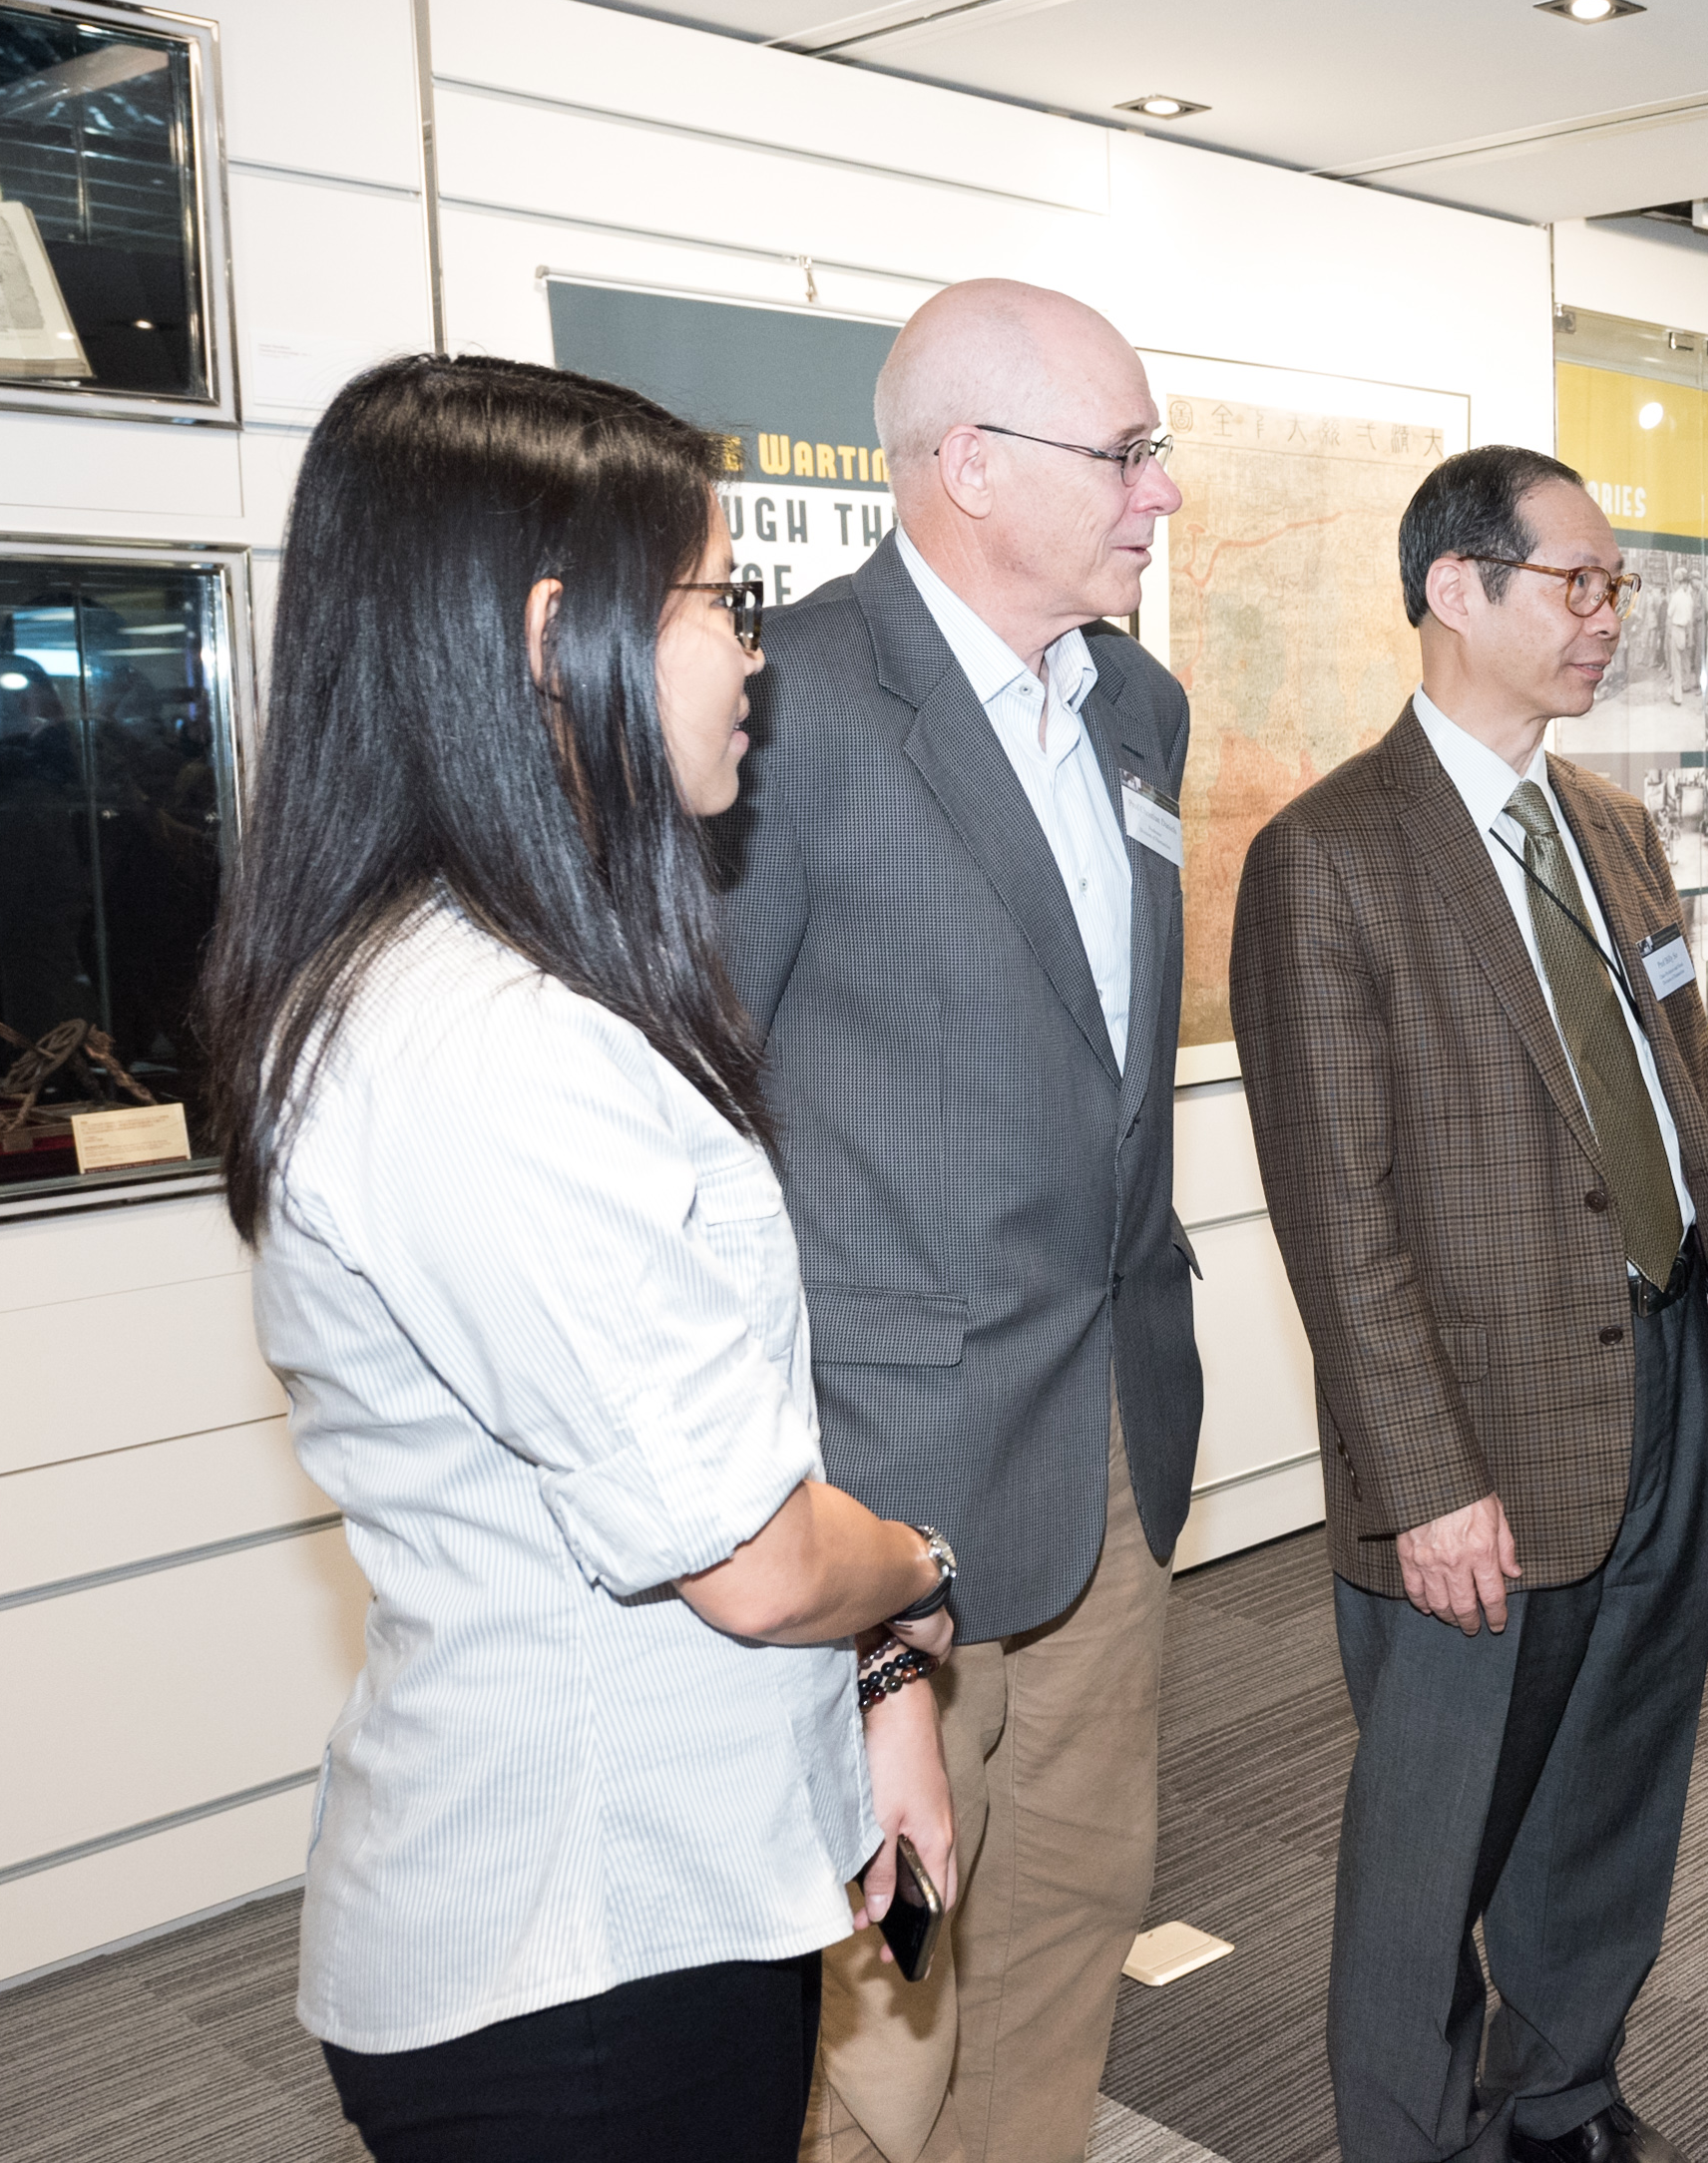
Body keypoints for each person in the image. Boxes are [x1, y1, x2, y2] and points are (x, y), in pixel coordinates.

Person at [200, 354, 960, 2162]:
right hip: (577, 1961)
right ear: (561, 634)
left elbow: (694, 1436)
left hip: (655, 1889)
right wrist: (922, 1574)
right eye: (719, 597)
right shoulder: (488, 1042)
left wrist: (877, 1680)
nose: (752, 651)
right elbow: (757, 1558)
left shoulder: (505, 985)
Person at [1229, 444, 1708, 2163]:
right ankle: (1412, 2134)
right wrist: (1423, 1476)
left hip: (1666, 1379)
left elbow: (1688, 1112)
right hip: (1474, 1442)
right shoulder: (1332, 855)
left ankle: (1559, 2090)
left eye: (1617, 588)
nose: (1609, 619)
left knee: (1612, 1789)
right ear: (1456, 591)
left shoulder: (1607, 827)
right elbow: (1342, 1217)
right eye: (1580, 583)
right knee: (1432, 1837)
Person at [715, 279, 1203, 2163]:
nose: (1160, 495)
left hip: (1111, 1443)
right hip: (887, 1476)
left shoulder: (1135, 702)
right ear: (969, 466)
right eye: (1127, 454)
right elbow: (713, 1125)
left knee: (1074, 1908)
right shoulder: (795, 705)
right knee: (887, 1974)